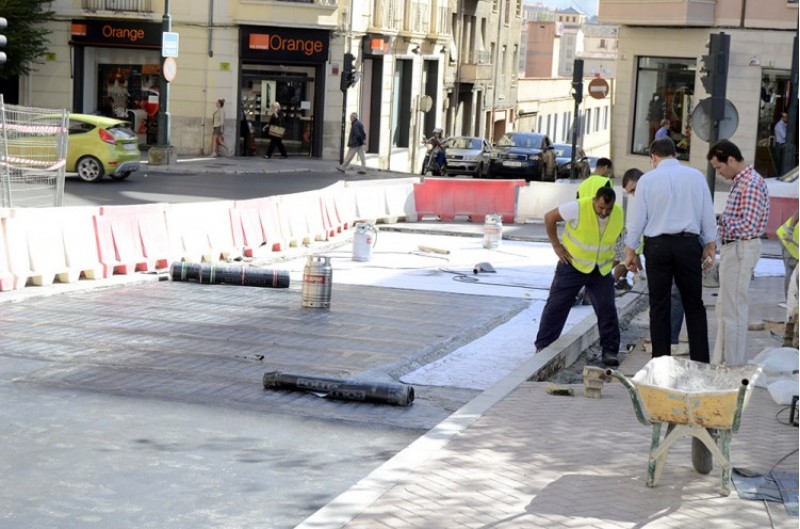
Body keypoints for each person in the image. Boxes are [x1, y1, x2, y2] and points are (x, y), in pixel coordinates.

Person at [624, 138, 717, 363]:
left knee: (659, 305)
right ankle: (700, 363)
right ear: (675, 154)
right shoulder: (695, 176)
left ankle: (661, 363)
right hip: (688, 245)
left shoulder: (647, 180)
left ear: (654, 157)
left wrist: (630, 251)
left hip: (657, 247)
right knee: (693, 304)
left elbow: (637, 220)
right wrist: (710, 245)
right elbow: (707, 213)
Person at [535, 186, 625, 367]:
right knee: (557, 306)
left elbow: (620, 236)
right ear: (595, 200)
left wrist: (619, 260)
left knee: (607, 309)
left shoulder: (618, 212)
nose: (604, 212)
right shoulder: (577, 207)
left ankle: (610, 351)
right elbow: (549, 217)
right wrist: (556, 246)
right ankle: (543, 347)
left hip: (600, 269)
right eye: (601, 208)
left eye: (608, 209)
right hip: (572, 265)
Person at [708, 139, 770, 365]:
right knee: (725, 308)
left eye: (719, 167)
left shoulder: (750, 183)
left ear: (731, 159)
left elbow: (750, 226)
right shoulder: (742, 181)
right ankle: (723, 362)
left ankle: (731, 366)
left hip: (741, 249)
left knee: (732, 311)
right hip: (735, 248)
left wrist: (722, 222)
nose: (719, 173)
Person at [776, 211, 799, 299]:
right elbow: (798, 213)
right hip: (788, 239)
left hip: (794, 243)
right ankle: (790, 302)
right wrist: (790, 232)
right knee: (792, 270)